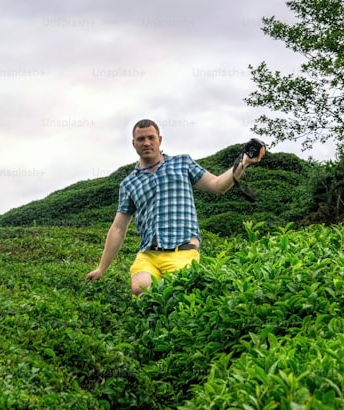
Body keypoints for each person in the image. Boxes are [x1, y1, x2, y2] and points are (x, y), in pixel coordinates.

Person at [85, 118, 266, 295]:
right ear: (134, 143)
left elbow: (218, 185)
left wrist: (243, 163)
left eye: (151, 137)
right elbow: (118, 227)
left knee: (176, 294)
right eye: (141, 139)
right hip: (148, 253)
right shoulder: (129, 183)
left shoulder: (182, 163)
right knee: (140, 288)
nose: (146, 142)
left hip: (183, 250)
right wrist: (101, 268)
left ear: (160, 140)